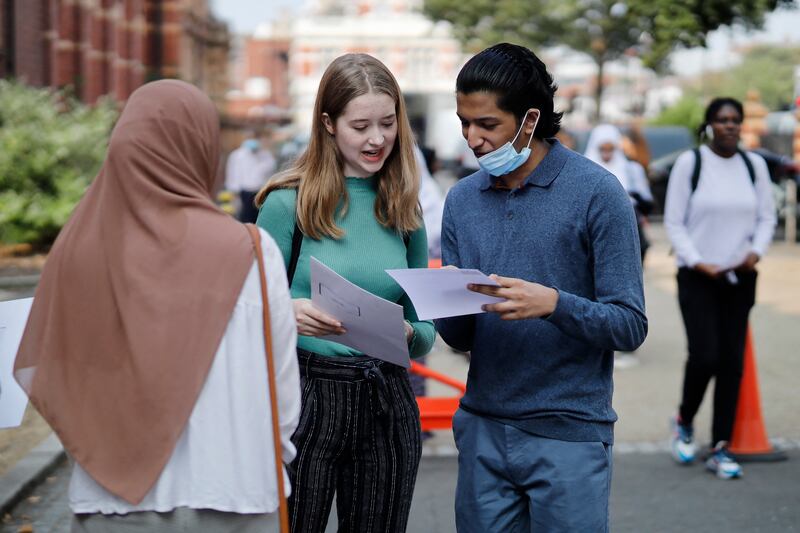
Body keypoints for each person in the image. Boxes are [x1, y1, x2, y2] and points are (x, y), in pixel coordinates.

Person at [13, 80, 301, 531]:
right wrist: (269, 457)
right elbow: (282, 384)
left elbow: (59, 374)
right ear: (203, 148)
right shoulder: (250, 250)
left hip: (110, 499)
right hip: (234, 490)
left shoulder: (78, 252)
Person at [435, 43, 647, 532]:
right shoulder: (463, 200)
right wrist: (444, 300)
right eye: (464, 123)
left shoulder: (599, 193)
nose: (473, 139)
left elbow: (630, 325)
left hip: (568, 433)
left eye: (487, 125)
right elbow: (461, 339)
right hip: (482, 427)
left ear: (530, 121)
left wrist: (553, 304)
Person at [255, 53, 435, 533]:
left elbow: (425, 329)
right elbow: (247, 309)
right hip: (307, 396)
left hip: (387, 396)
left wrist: (407, 333)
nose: (377, 139)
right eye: (361, 126)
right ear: (328, 124)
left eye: (388, 123)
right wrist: (286, 311)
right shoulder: (285, 203)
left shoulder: (404, 206)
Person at [664, 97, 776, 480]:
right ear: (709, 125)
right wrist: (697, 260)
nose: (729, 125)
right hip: (698, 276)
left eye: (735, 120)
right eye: (722, 120)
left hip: (739, 276)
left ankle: (721, 446)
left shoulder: (754, 165)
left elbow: (766, 217)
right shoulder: (690, 164)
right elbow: (674, 223)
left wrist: (755, 252)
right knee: (705, 356)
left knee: (732, 363)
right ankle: (684, 420)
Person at [584, 124, 654, 264]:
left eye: (611, 148)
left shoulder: (631, 169)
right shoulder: (584, 171)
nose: (607, 153)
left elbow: (646, 200)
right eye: (602, 149)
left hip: (627, 227)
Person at [225, 129, 277, 223]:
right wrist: (234, 193)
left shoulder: (265, 154)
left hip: (261, 192)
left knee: (260, 220)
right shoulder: (237, 155)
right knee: (245, 220)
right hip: (244, 193)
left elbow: (271, 170)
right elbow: (233, 175)